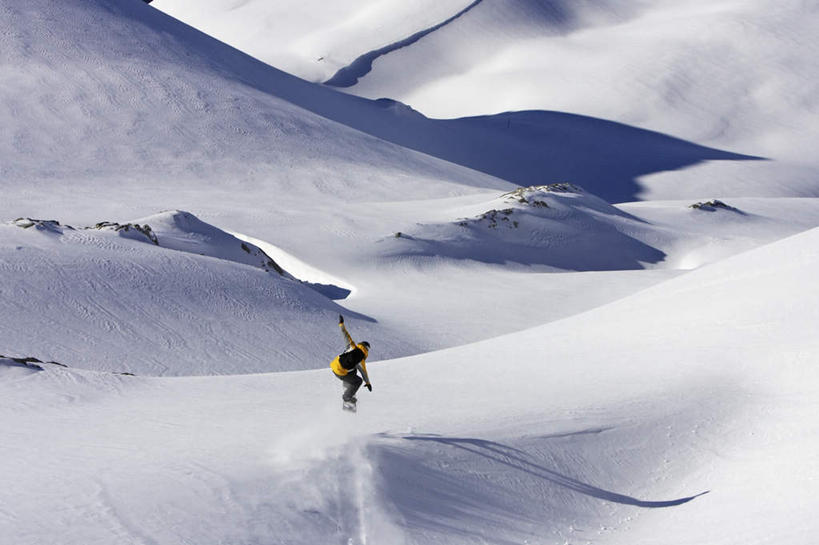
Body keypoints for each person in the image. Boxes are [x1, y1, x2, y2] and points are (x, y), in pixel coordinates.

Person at [330, 315, 372, 410]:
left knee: (353, 370)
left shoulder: (352, 346)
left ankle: (347, 386)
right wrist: (368, 383)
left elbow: (345, 335)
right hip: (341, 373)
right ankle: (347, 398)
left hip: (334, 366)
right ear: (366, 350)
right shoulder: (361, 359)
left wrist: (341, 324)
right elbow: (364, 373)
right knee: (358, 381)